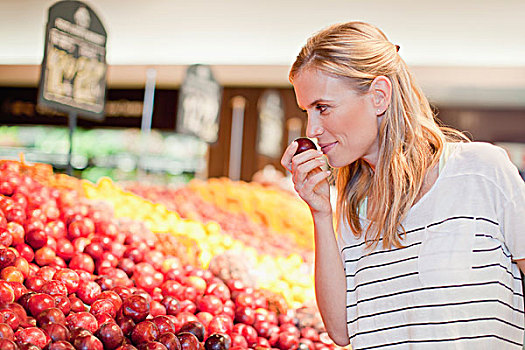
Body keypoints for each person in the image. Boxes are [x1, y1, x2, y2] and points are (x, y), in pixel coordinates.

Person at [281, 21, 525, 349]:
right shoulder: (353, 210)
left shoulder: (481, 172)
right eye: (307, 111)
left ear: (379, 96)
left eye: (323, 108)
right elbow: (341, 332)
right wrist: (321, 213)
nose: (312, 129)